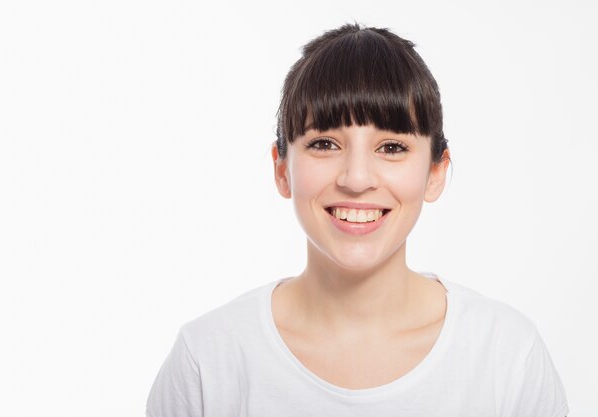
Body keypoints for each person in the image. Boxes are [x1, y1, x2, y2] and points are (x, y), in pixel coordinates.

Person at [146, 23, 569, 416]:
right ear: (281, 169)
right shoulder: (207, 361)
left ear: (435, 173)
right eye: (325, 143)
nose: (356, 179)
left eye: (391, 147)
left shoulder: (507, 357)